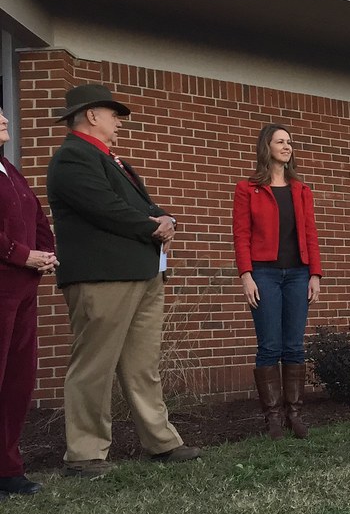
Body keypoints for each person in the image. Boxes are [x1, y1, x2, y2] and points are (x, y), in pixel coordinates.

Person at [46, 84, 201, 478]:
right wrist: (155, 228)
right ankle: (84, 456)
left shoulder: (111, 160)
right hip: (102, 278)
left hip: (143, 272)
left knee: (141, 365)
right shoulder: (71, 158)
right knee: (94, 366)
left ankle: (162, 442)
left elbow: (142, 205)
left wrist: (167, 219)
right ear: (92, 115)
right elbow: (106, 210)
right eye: (113, 114)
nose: (119, 121)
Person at [233, 123, 322, 439]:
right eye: (280, 141)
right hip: (265, 275)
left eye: (290, 142)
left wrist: (315, 274)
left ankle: (294, 415)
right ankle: (272, 418)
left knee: (294, 346)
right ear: (266, 147)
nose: (287, 146)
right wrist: (246, 275)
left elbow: (310, 233)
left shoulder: (301, 189)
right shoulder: (247, 188)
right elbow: (241, 235)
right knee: (269, 346)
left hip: (298, 274)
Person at [0, 107, 57, 499]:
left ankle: (8, 470)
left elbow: (37, 216)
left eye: (5, 114)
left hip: (24, 290)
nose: (5, 120)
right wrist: (22, 254)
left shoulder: (9, 169)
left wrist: (47, 252)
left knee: (17, 383)